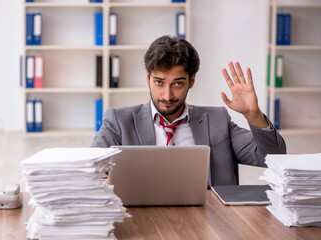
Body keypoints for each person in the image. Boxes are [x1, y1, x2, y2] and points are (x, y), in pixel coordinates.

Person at [91, 35, 286, 186]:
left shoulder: (218, 120)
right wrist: (107, 185)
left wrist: (253, 116)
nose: (167, 96)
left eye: (177, 84)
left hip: (210, 221)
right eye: (159, 82)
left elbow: (271, 158)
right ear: (148, 79)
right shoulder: (118, 121)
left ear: (191, 81)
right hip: (144, 219)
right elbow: (89, 173)